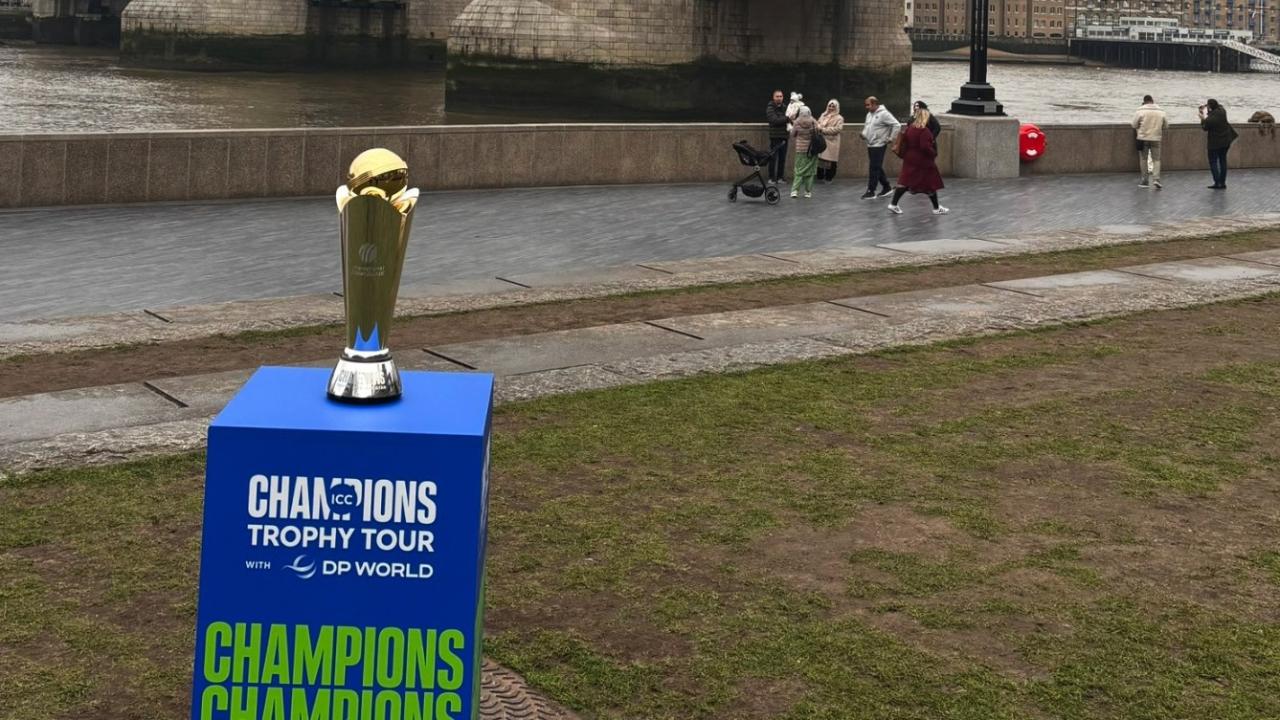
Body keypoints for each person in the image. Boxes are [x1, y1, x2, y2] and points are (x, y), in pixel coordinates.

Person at [887, 107, 948, 215]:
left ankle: (894, 204)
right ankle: (936, 208)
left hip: (909, 157)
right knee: (930, 182)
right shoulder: (924, 131)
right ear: (925, 117)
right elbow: (925, 146)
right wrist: (933, 153)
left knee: (906, 181)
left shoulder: (910, 128)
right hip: (922, 160)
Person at [861, 96, 900, 200]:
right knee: (876, 166)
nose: (866, 107)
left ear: (874, 104)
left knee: (874, 167)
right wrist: (864, 134)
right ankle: (886, 187)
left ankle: (871, 191)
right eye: (866, 105)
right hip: (870, 144)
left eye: (868, 105)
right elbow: (867, 127)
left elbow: (897, 125)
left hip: (879, 144)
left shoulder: (884, 114)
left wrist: (891, 138)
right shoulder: (869, 114)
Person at [1130, 95, 1169, 190]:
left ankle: (1145, 181)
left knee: (1143, 159)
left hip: (1143, 138)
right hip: (1156, 138)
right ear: (1152, 101)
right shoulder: (1161, 111)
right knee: (1156, 160)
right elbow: (1166, 126)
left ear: (1144, 102)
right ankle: (1156, 179)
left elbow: (1134, 125)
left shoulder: (1140, 111)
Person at [1200, 99, 1238, 190]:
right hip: (1226, 141)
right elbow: (1217, 107)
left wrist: (1202, 118)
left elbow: (1205, 127)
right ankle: (1223, 182)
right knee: (1222, 161)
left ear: (1210, 107)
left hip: (1215, 143)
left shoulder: (1210, 119)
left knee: (1213, 161)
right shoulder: (1222, 111)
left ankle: (1217, 182)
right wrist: (1207, 107)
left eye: (1208, 105)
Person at [789, 106, 819, 199]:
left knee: (798, 170)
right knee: (810, 171)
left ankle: (794, 191)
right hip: (811, 150)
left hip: (800, 149)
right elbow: (817, 132)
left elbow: (793, 134)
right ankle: (807, 192)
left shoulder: (797, 122)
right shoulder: (813, 122)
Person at [816, 99, 844, 183]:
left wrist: (823, 130)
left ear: (836, 107)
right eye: (830, 106)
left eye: (833, 106)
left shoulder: (839, 118)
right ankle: (820, 176)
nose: (831, 108)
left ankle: (829, 177)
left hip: (832, 141)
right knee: (820, 159)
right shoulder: (823, 115)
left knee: (831, 160)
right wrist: (818, 127)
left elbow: (838, 129)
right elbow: (818, 123)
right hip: (822, 140)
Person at [765, 90, 789, 184]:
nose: (779, 98)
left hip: (784, 136)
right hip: (775, 136)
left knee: (782, 158)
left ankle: (780, 177)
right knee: (773, 158)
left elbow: (791, 118)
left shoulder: (786, 107)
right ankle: (771, 178)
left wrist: (785, 119)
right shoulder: (770, 107)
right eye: (777, 96)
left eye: (781, 96)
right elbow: (774, 120)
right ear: (773, 97)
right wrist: (786, 118)